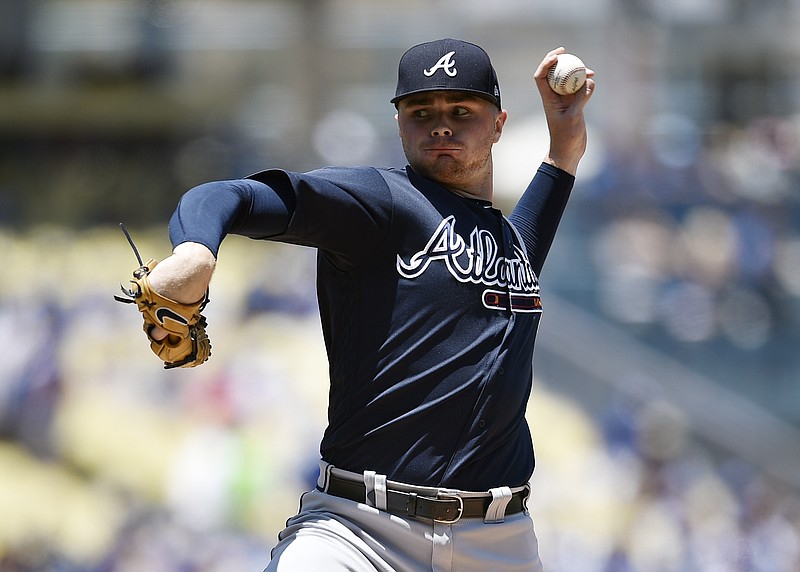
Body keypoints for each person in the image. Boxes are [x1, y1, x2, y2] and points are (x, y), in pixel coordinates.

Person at [145, 38, 594, 571]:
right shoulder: (378, 204)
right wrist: (196, 247)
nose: (441, 125)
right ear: (400, 124)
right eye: (420, 111)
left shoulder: (511, 246)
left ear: (498, 125)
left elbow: (533, 222)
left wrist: (564, 144)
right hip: (360, 531)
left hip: (501, 543)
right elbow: (230, 195)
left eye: (462, 111)